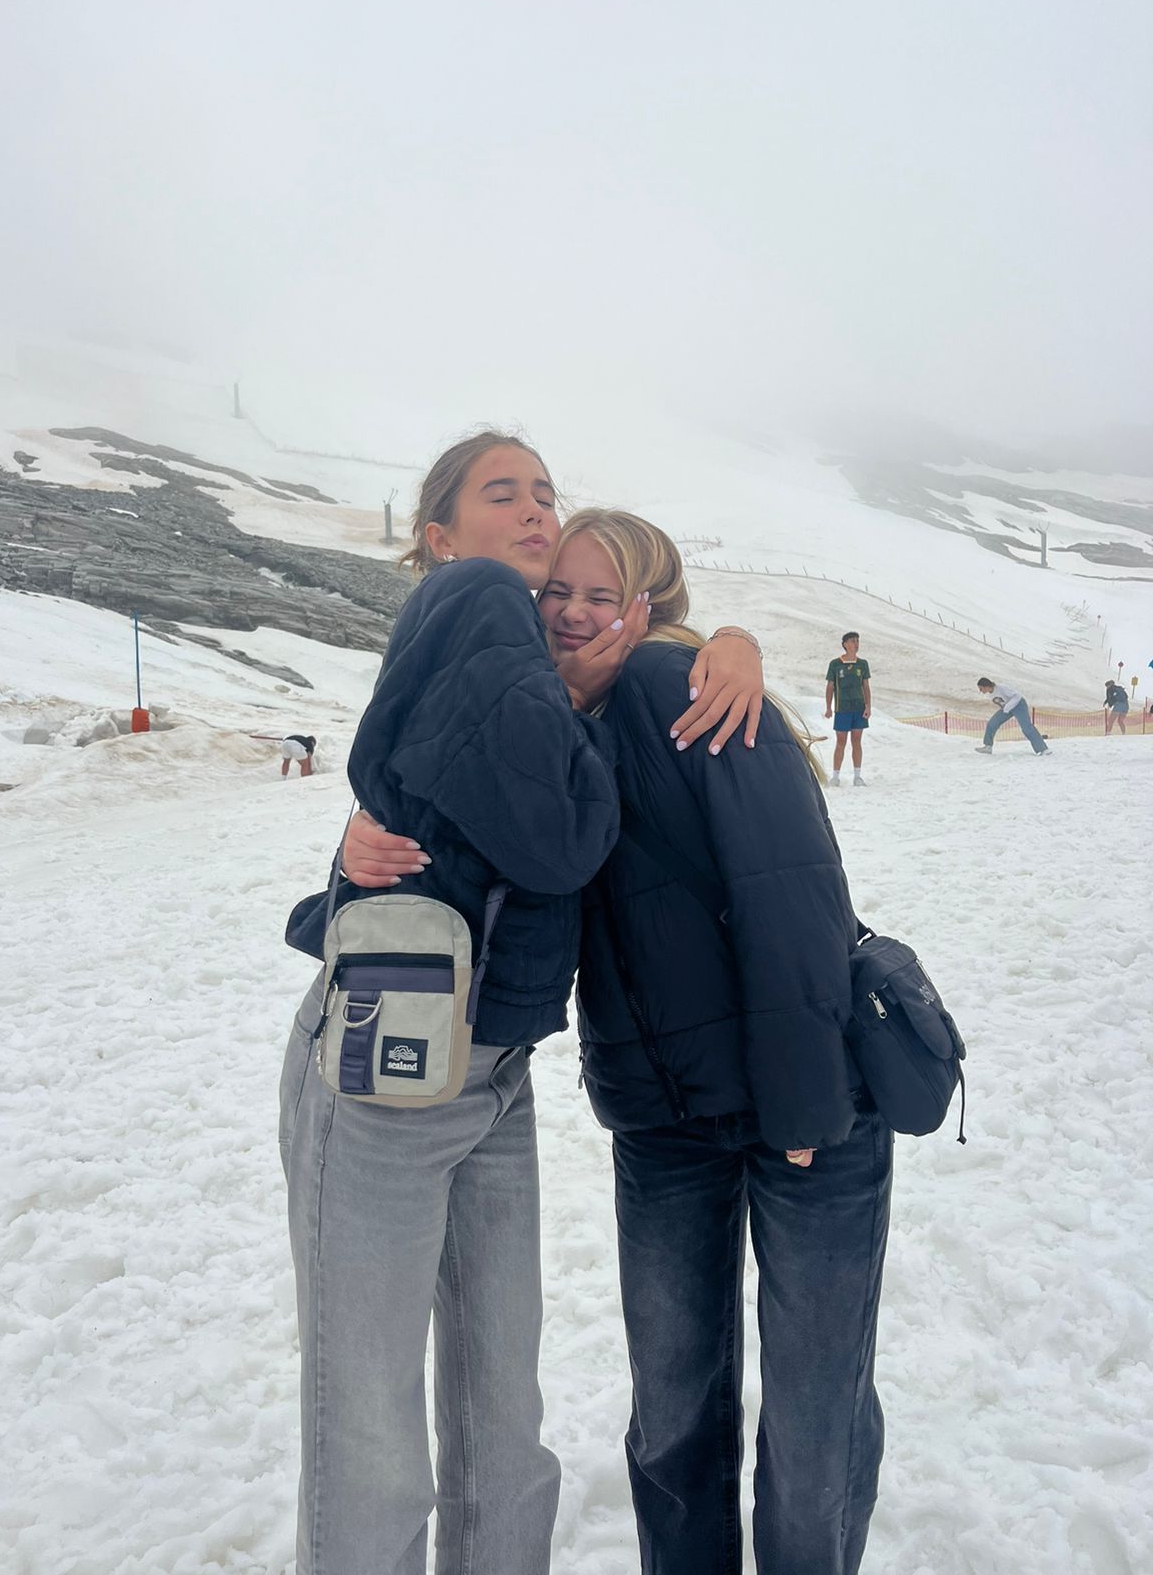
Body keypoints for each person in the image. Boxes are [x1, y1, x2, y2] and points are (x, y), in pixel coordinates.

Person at [350, 509, 890, 1575]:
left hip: (805, 1110)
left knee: (814, 1413)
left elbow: (793, 898)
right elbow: (457, 844)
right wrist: (355, 844)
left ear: (649, 606)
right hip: (663, 1120)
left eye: (602, 595)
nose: (572, 613)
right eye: (557, 592)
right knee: (675, 1408)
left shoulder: (679, 688)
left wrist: (803, 1108)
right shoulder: (546, 724)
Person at [279, 431, 767, 1575]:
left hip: (487, 1071)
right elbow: (562, 838)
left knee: (500, 1418)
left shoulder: (512, 652)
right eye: (503, 492)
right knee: (378, 1430)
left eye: (546, 490)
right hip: (387, 1072)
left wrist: (725, 643)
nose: (537, 508)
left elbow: (442, 822)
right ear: (440, 536)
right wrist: (592, 691)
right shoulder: (476, 597)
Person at [823, 630, 871, 786]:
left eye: (857, 641)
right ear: (845, 644)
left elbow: (866, 686)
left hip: (858, 708)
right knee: (841, 741)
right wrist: (828, 707)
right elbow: (830, 687)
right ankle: (835, 777)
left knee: (857, 741)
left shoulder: (862, 664)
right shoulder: (835, 664)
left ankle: (857, 776)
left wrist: (868, 706)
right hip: (842, 708)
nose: (855, 644)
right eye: (852, 641)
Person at [974, 677, 1050, 755]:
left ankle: (1044, 750)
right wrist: (1006, 708)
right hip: (1007, 709)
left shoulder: (1001, 688)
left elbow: (1017, 696)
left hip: (1018, 705)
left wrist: (1007, 707)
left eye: (981, 688)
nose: (980, 691)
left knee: (1026, 727)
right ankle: (988, 747)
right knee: (992, 723)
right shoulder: (991, 694)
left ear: (986, 686)